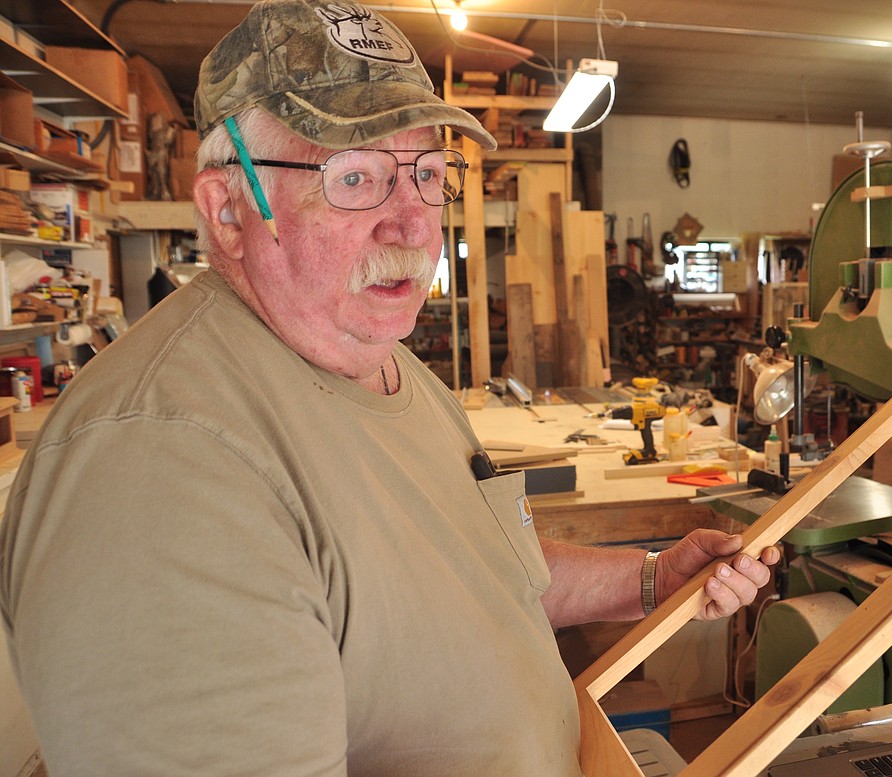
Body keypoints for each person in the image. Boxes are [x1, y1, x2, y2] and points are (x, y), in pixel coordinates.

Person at [0, 1, 781, 774]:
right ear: (230, 208)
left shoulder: (382, 359)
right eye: (354, 178)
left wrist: (650, 577)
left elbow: (473, 575)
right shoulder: (158, 462)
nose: (413, 226)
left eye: (428, 175)